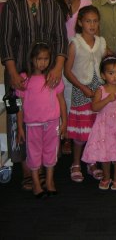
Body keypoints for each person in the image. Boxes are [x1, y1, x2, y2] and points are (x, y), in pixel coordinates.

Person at [0, 0, 68, 192]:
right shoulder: (11, 6)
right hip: (19, 75)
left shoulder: (52, 6)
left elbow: (61, 39)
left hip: (47, 76)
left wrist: (58, 67)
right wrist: (11, 72)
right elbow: (6, 42)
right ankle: (28, 172)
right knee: (19, 120)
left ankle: (46, 168)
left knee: (47, 120)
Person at [16, 42, 67, 198]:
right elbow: (20, 106)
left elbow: (61, 100)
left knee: (51, 152)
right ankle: (36, 184)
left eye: (46, 59)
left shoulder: (53, 77)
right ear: (32, 59)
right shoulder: (25, 79)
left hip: (52, 123)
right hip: (33, 124)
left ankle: (50, 182)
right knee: (34, 153)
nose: (43, 62)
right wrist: (20, 127)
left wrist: (64, 121)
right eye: (39, 59)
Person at [64, 5, 108, 183]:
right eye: (88, 21)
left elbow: (107, 61)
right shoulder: (75, 43)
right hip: (82, 91)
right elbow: (67, 71)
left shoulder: (101, 42)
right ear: (80, 23)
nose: (92, 24)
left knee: (94, 131)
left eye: (95, 21)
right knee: (81, 133)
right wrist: (82, 88)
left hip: (98, 91)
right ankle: (75, 163)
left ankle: (91, 162)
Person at [81, 56, 116, 191]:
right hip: (104, 127)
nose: (115, 76)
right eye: (111, 73)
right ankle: (106, 177)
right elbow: (94, 107)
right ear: (103, 75)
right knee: (105, 153)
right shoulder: (100, 90)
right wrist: (106, 100)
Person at [56, 0, 92, 155]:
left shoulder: (87, 4)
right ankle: (67, 136)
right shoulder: (54, 6)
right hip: (63, 59)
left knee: (82, 99)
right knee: (65, 98)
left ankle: (81, 135)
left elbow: (94, 31)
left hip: (84, 59)